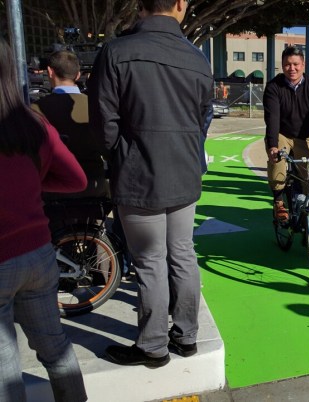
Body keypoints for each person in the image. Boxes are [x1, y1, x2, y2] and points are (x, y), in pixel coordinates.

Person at [89, 0, 214, 367]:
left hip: (138, 173)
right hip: (185, 172)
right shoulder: (197, 57)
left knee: (150, 261)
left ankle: (154, 345)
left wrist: (121, 154)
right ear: (180, 4)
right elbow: (203, 117)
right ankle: (186, 336)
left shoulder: (116, 51)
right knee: (183, 254)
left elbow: (103, 122)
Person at [0, 37, 88, 402]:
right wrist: (33, 182)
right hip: (38, 252)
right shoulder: (33, 125)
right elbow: (76, 179)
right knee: (55, 347)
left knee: (5, 369)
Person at [32, 50, 109, 231]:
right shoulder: (96, 106)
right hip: (94, 183)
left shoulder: (36, 109)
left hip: (55, 189)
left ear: (50, 72)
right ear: (78, 74)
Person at [264, 46, 309, 222]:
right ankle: (279, 201)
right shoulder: (273, 86)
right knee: (277, 161)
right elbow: (272, 118)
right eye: (287, 64)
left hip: (306, 135)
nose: (292, 68)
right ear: (282, 65)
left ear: (303, 65)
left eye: (296, 64)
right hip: (282, 133)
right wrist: (272, 145)